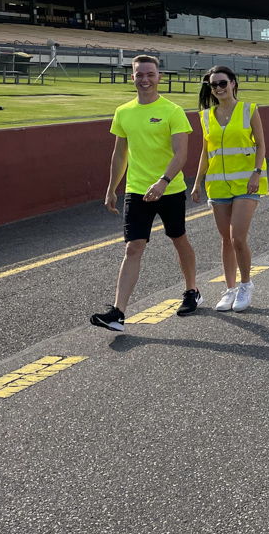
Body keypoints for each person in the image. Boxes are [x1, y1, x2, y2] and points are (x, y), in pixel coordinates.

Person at [90, 55, 200, 331]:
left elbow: (181, 154)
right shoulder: (123, 112)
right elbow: (119, 153)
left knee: (178, 238)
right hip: (137, 190)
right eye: (140, 74)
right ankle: (118, 313)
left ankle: (191, 290)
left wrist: (163, 181)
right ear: (132, 77)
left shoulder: (172, 111)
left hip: (170, 189)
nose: (145, 79)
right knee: (133, 246)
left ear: (159, 77)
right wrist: (112, 187)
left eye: (150, 74)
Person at [190, 66, 267, 312]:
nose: (218, 88)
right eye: (213, 85)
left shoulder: (249, 109)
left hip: (246, 182)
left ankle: (246, 284)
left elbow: (262, 146)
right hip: (218, 185)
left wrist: (257, 172)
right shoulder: (205, 116)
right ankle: (230, 288)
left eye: (222, 83)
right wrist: (197, 183)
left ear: (233, 83)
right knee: (226, 240)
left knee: (238, 238)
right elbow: (205, 151)